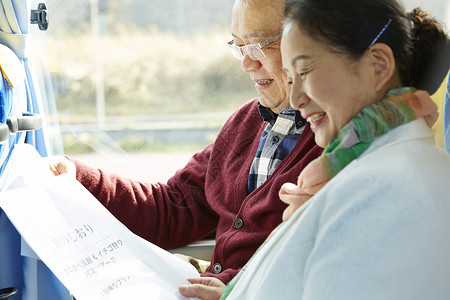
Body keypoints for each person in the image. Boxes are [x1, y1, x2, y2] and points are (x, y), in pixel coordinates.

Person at [178, 0, 450, 299]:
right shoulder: (362, 170)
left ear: (378, 65)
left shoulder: (376, 190)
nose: (295, 100)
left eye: (305, 72)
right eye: (291, 78)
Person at [49, 0, 322, 285]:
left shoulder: (335, 140)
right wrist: (78, 177)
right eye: (239, 47)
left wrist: (236, 290)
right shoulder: (245, 123)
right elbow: (174, 208)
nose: (245, 64)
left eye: (257, 46)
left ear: (305, 40)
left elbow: (316, 259)